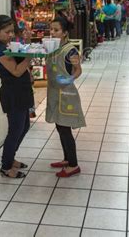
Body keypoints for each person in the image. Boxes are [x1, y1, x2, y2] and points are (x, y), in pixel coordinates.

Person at [0, 14, 33, 179]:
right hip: (12, 94)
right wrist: (31, 57)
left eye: (12, 31)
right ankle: (6, 166)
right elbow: (16, 71)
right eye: (7, 32)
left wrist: (27, 43)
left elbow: (21, 56)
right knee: (15, 131)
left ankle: (10, 157)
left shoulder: (8, 45)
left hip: (21, 90)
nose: (11, 35)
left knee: (24, 126)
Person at [46, 16, 86, 177]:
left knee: (64, 129)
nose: (52, 33)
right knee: (59, 126)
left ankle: (73, 164)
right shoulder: (52, 47)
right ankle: (66, 158)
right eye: (51, 29)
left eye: (56, 30)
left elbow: (78, 70)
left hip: (66, 94)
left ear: (64, 33)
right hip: (55, 92)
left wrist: (69, 79)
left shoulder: (70, 50)